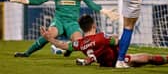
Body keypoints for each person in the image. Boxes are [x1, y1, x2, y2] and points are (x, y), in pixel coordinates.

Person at [9, 0, 116, 57]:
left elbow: (90, 3)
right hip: (59, 21)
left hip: (72, 23)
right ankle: (26, 53)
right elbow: (39, 0)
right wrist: (24, 0)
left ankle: (69, 50)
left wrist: (104, 10)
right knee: (49, 34)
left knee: (79, 42)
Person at [40, 14, 168, 67]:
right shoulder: (101, 37)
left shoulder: (79, 43)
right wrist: (116, 37)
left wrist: (50, 38)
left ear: (82, 28)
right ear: (94, 26)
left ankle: (89, 60)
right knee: (149, 58)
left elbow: (64, 45)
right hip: (122, 61)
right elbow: (118, 42)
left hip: (105, 65)